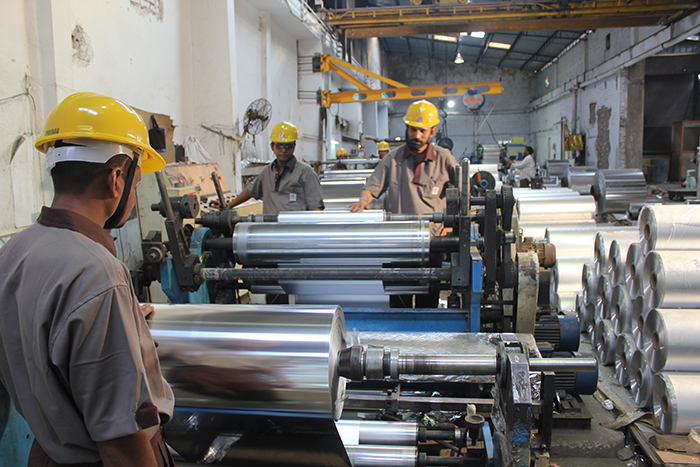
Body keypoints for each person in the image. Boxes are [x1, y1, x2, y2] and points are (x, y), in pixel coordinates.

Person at [0, 92, 175, 467]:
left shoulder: (14, 252)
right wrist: (108, 303)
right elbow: (120, 441)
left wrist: (124, 321)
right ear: (116, 180)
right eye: (136, 183)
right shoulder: (97, 272)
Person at [348, 100, 458, 308]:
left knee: (428, 304)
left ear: (432, 131)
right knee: (399, 302)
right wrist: (363, 200)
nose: (417, 135)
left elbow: (462, 195)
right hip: (398, 242)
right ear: (406, 128)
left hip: (432, 243)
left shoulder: (445, 160)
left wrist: (451, 225)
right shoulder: (392, 159)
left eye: (422, 131)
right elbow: (371, 188)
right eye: (413, 129)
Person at [221, 121, 324, 215]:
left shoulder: (306, 173)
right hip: (270, 228)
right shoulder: (266, 173)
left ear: (294, 147)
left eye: (287, 146)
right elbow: (250, 190)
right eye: (279, 146)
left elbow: (316, 208)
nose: (283, 150)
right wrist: (228, 206)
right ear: (272, 146)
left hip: (295, 228)